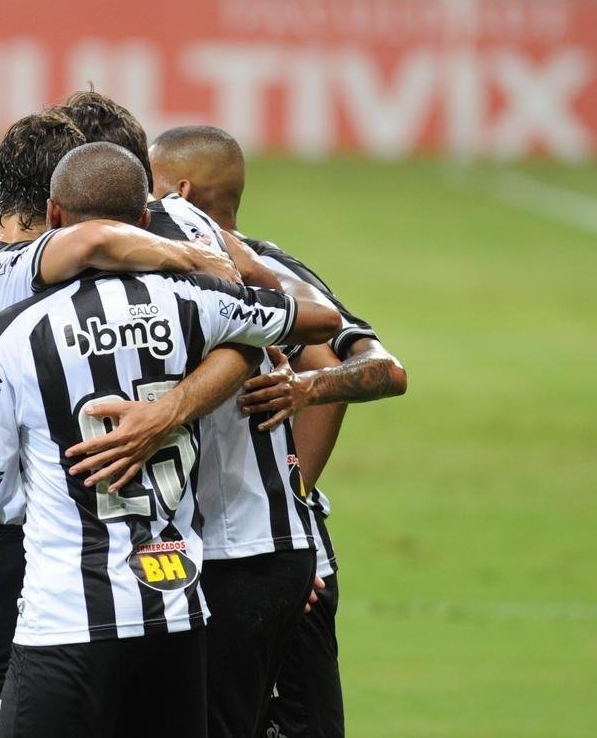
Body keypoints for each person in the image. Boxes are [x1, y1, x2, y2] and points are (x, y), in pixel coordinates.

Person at [0, 111, 239, 737]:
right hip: (20, 557)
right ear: (57, 204)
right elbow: (92, 243)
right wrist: (189, 255)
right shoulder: (27, 267)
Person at [0, 142, 340, 737]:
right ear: (143, 219)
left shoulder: (15, 331)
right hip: (176, 610)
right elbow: (319, 319)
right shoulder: (195, 304)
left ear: (54, 217)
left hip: (66, 620)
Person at [152, 124, 408, 736]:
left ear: (181, 192)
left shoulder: (265, 273)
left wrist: (292, 494)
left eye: (151, 184)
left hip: (268, 558)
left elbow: (376, 369)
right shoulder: (159, 265)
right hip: (196, 558)